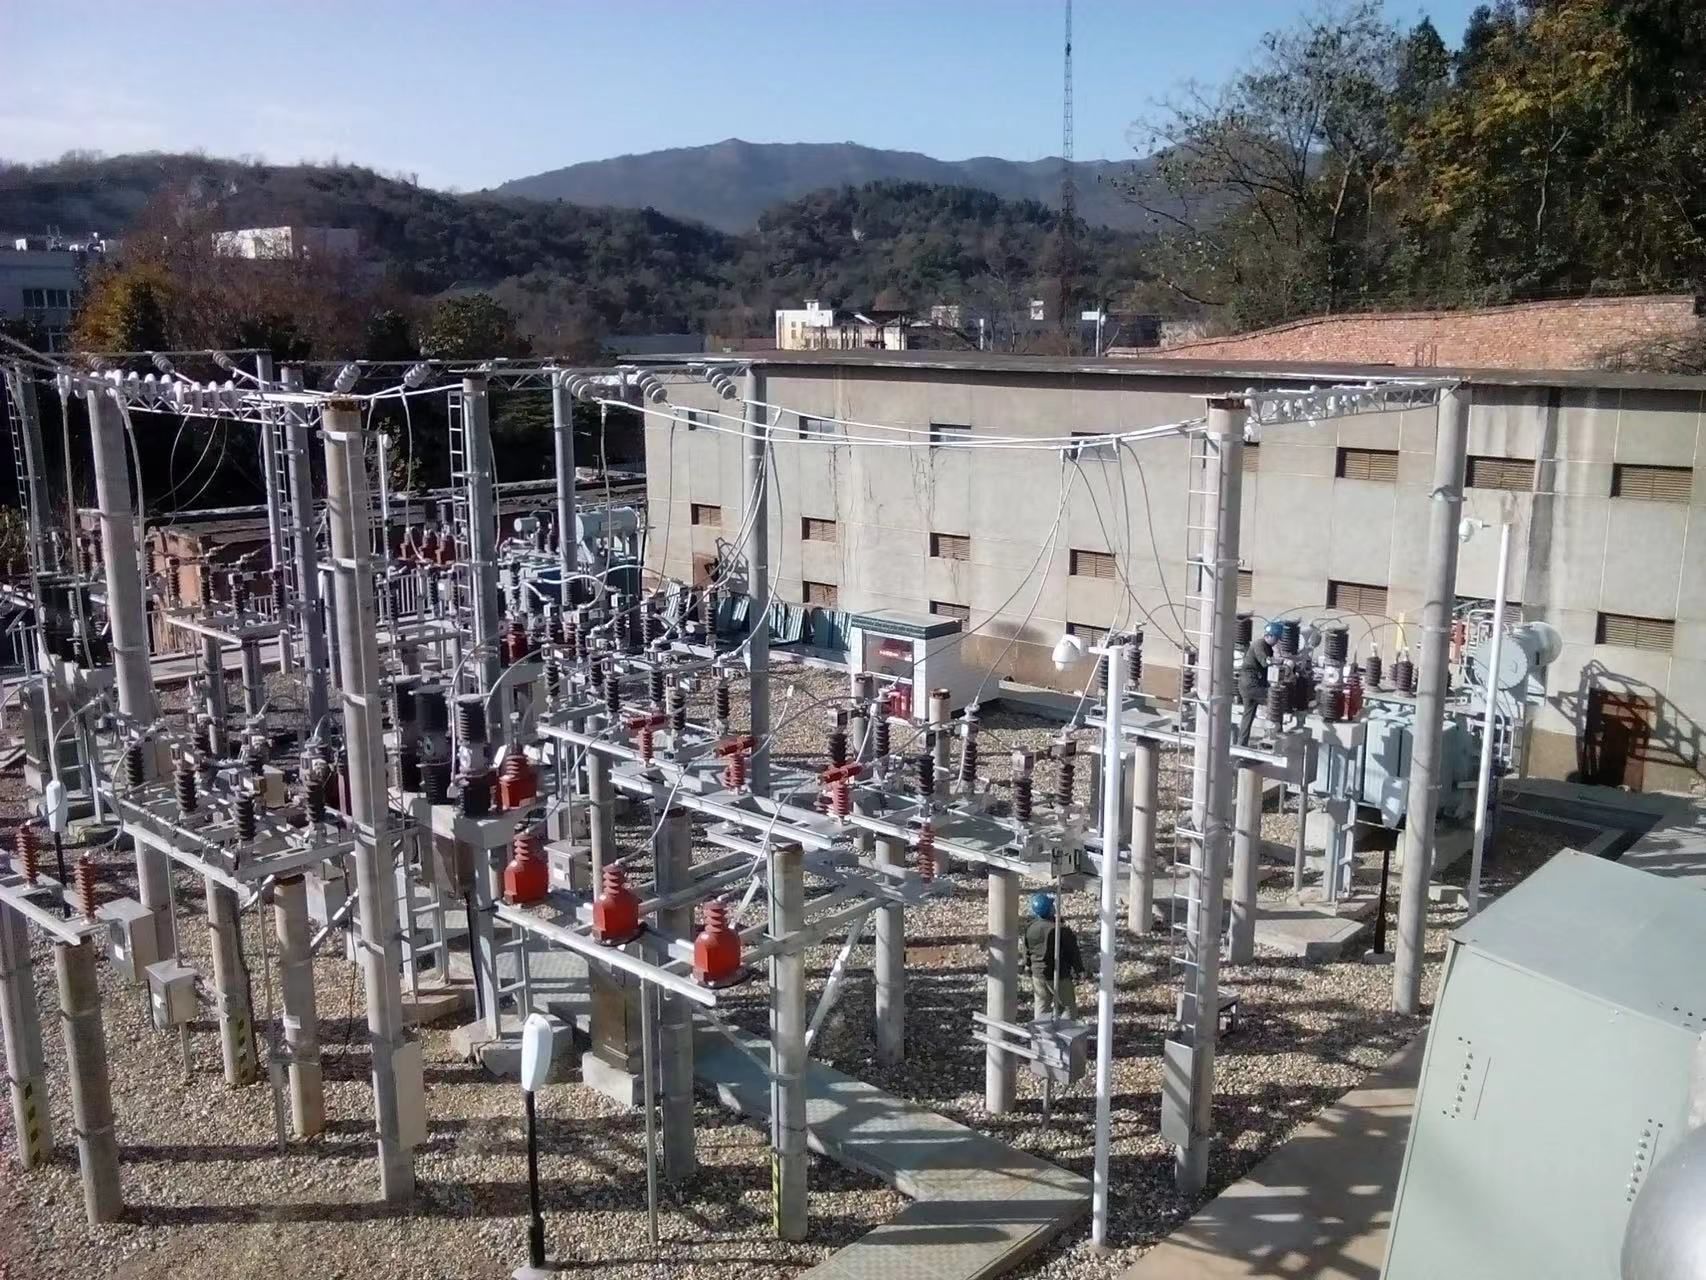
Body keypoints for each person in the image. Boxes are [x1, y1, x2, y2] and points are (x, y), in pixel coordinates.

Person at [1020, 892, 1084, 1021]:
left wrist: (1028, 966)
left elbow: (1026, 951)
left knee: (1041, 1006)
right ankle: (1066, 1030)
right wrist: (1079, 970)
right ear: (1050, 910)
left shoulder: (1030, 928)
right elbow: (1073, 953)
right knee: (1067, 1007)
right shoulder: (1061, 930)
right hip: (1059, 975)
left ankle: (1041, 1031)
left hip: (1038, 974)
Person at [1238, 620, 1283, 744]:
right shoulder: (1259, 644)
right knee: (1277, 700)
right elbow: (1265, 662)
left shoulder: (1267, 647)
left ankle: (1241, 745)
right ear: (1270, 636)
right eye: (1277, 638)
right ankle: (1273, 736)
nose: (1277, 642)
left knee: (1248, 716)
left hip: (1247, 686)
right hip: (1252, 685)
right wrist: (1279, 660)